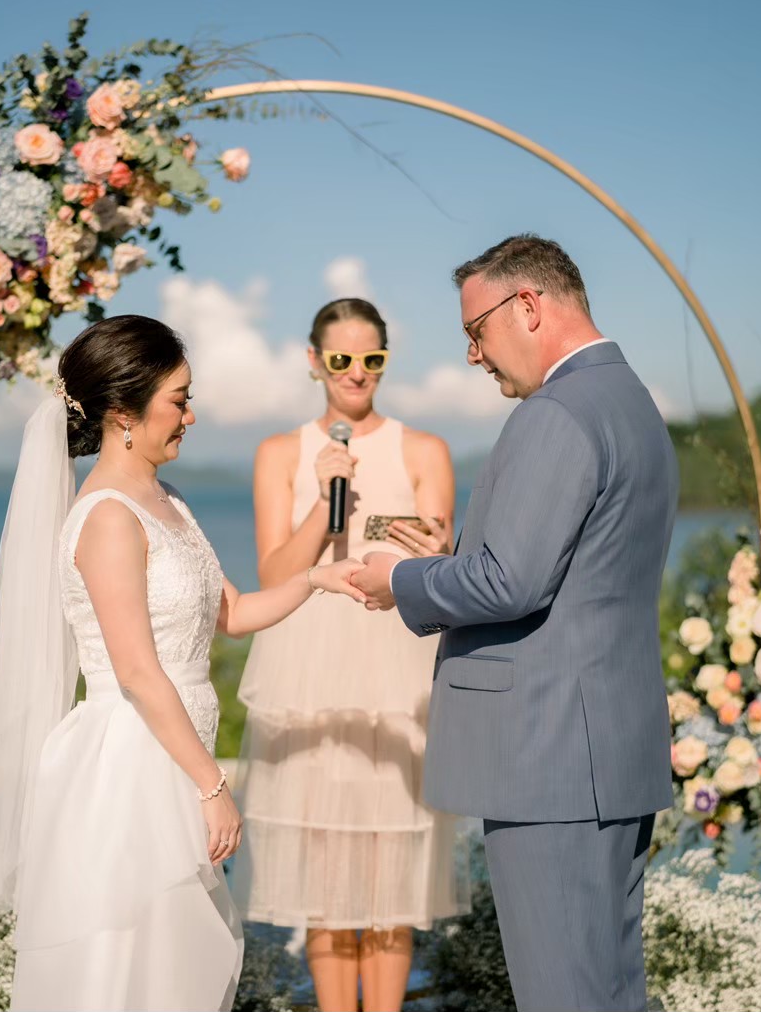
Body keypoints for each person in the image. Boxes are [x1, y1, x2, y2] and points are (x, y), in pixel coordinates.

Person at [0, 315, 366, 1012]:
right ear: (124, 414)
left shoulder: (168, 501)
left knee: (171, 967)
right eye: (179, 400)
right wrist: (212, 786)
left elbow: (233, 612)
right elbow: (136, 671)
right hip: (128, 762)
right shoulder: (108, 517)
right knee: (127, 962)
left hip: (174, 752)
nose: (191, 415)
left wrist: (314, 580)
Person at [350, 237, 679, 1012]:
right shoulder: (631, 402)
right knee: (608, 991)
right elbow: (576, 572)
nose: (473, 354)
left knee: (562, 994)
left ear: (528, 305)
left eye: (477, 331)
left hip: (549, 753)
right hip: (608, 749)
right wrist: (452, 561)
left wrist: (399, 580)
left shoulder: (555, 414)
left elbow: (511, 581)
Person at [232, 298, 468, 1012]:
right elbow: (275, 575)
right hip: (308, 675)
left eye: (372, 358)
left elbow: (441, 566)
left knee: (393, 875)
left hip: (397, 672)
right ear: (314, 362)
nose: (357, 372)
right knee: (326, 880)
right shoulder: (280, 454)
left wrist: (439, 549)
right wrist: (323, 497)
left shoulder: (424, 449)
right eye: (341, 359)